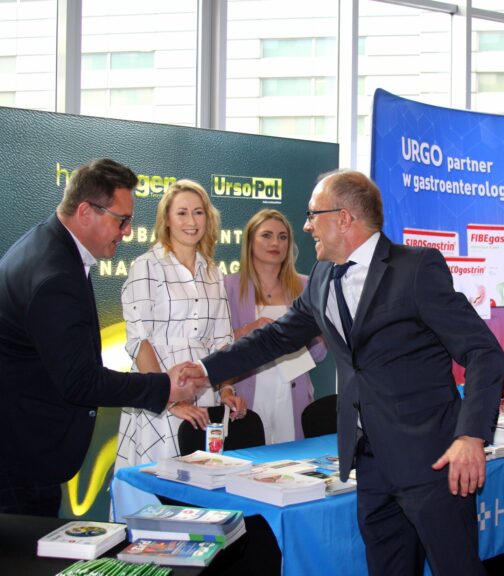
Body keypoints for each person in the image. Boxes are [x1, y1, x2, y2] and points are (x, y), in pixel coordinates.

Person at [180, 170, 504, 576]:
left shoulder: (415, 268)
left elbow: (483, 351)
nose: (306, 226)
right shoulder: (321, 276)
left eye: (312, 214)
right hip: (369, 463)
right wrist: (206, 370)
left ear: (344, 218)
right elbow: (275, 338)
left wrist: (471, 436)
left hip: (431, 461)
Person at [0, 159, 203, 517]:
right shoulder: (54, 274)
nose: (127, 231)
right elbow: (80, 381)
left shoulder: (48, 244)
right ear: (85, 212)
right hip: (19, 457)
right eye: (121, 220)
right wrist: (164, 387)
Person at [115, 179, 245, 471]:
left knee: (203, 478)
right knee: (159, 480)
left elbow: (223, 341)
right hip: (158, 390)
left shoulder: (213, 272)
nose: (192, 221)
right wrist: (169, 399)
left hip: (204, 390)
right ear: (167, 220)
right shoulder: (146, 266)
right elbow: (139, 341)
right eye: (182, 213)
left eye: (198, 212)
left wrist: (227, 389)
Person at [224, 209, 327, 444]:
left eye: (283, 237)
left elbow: (320, 352)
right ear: (250, 241)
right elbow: (218, 343)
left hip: (293, 393)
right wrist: (250, 330)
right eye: (266, 235)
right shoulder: (228, 286)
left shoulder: (306, 286)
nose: (275, 243)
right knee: (251, 461)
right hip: (247, 394)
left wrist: (305, 336)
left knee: (292, 461)